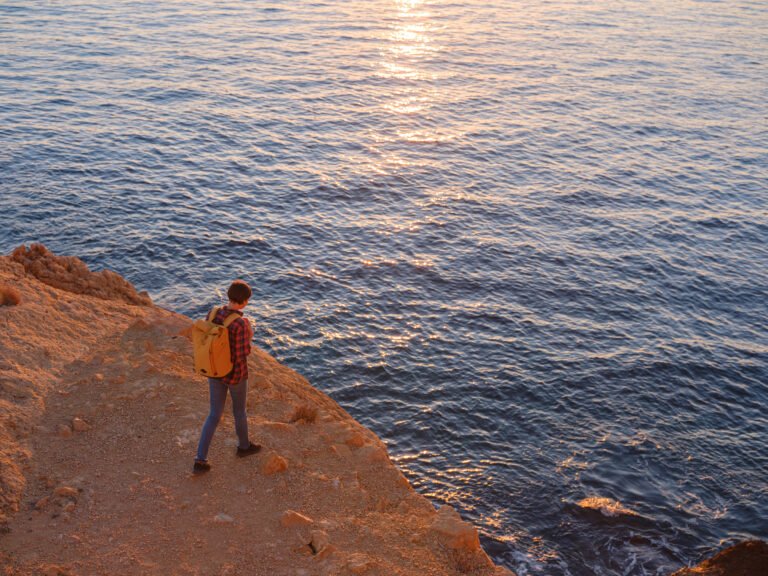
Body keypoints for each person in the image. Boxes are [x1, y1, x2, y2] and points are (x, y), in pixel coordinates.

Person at [193, 279, 261, 474]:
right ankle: (244, 447)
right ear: (245, 301)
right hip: (235, 375)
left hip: (213, 371)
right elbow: (242, 354)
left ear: (229, 296)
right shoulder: (240, 324)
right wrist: (249, 336)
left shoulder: (213, 313)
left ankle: (200, 459)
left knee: (214, 414)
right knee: (239, 412)